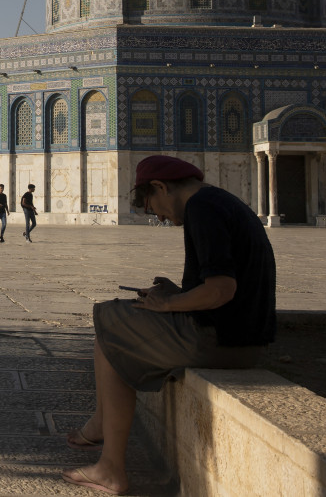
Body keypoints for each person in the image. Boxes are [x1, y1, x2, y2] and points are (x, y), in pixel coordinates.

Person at [63, 155, 276, 495]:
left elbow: (222, 289)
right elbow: (222, 284)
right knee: (119, 320)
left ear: (161, 187)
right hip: (243, 336)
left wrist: (168, 304)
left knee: (109, 320)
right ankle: (101, 431)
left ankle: (110, 465)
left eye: (154, 207)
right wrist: (178, 293)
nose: (160, 217)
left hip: (220, 340)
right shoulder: (221, 201)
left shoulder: (201, 209)